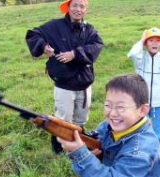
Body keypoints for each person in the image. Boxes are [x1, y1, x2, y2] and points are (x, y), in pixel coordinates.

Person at [57, 74, 160, 177]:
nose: (112, 113)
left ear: (143, 110)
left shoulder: (141, 150)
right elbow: (99, 141)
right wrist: (89, 148)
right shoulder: (109, 126)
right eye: (108, 105)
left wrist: (80, 153)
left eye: (120, 107)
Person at [25, 0, 104, 154]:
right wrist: (43, 46)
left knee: (80, 121)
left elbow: (97, 45)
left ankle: (79, 147)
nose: (78, 9)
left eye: (82, 6)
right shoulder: (54, 26)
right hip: (64, 85)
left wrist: (74, 54)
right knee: (62, 121)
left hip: (84, 84)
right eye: (75, 5)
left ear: (86, 10)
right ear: (68, 7)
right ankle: (59, 151)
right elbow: (33, 34)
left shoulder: (89, 29)